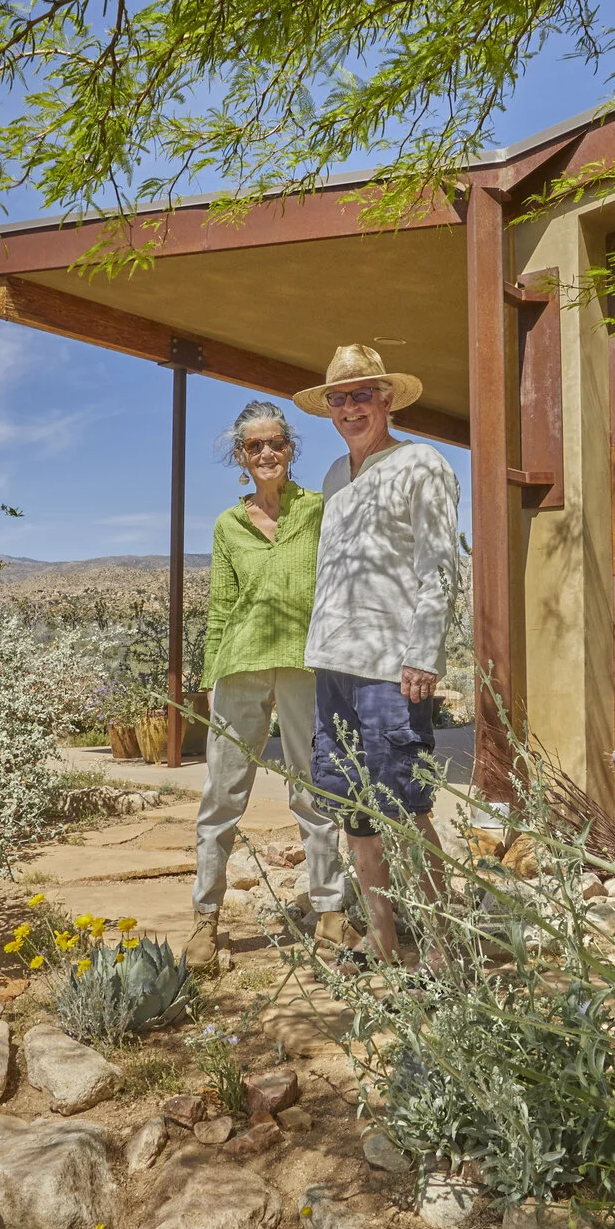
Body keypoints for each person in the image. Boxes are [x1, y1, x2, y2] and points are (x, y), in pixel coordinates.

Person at [298, 344, 461, 967]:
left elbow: (440, 567)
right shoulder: (336, 476)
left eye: (362, 394)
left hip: (393, 667)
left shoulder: (421, 463)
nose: (349, 408)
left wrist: (424, 655)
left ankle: (445, 947)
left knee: (404, 803)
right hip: (333, 663)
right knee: (354, 809)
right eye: (338, 398)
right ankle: (384, 937)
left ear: (387, 399)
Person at [188, 400, 353, 974]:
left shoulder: (318, 510)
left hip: (306, 665)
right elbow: (219, 610)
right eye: (254, 446)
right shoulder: (228, 525)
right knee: (222, 795)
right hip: (239, 666)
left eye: (275, 443)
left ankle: (330, 912)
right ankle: (205, 922)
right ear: (240, 456)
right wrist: (210, 679)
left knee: (314, 789)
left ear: (290, 450)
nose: (265, 453)